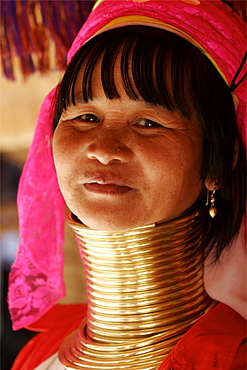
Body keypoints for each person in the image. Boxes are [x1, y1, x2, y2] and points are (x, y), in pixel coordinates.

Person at [8, 0, 246, 369]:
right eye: (86, 117)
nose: (103, 150)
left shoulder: (232, 359)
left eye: (148, 123)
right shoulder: (39, 353)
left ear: (220, 160)